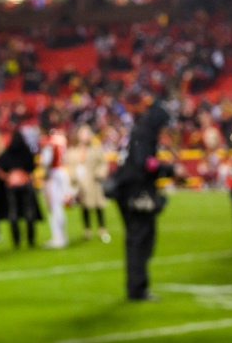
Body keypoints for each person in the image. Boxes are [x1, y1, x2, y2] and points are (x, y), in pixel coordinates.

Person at [112, 100, 175, 301]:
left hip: (126, 190)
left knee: (137, 240)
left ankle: (136, 286)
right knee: (140, 240)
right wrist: (169, 169)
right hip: (135, 192)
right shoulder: (144, 135)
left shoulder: (140, 133)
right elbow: (145, 163)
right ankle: (137, 288)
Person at [0, 129, 39, 248]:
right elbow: (33, 166)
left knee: (13, 213)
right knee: (29, 211)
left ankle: (16, 240)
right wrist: (26, 175)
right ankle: (30, 240)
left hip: (12, 185)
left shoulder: (8, 152)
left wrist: (7, 177)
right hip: (25, 183)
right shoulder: (26, 152)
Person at [66, 124, 110, 242]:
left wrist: (99, 174)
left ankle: (102, 228)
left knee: (98, 205)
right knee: (84, 206)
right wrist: (73, 178)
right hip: (81, 183)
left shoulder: (95, 149)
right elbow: (69, 166)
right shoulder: (72, 150)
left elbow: (103, 163)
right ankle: (87, 229)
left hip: (93, 181)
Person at [40, 128, 70, 249]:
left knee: (54, 207)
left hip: (54, 176)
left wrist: (45, 177)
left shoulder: (49, 144)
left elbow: (46, 162)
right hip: (61, 174)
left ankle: (58, 238)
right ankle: (61, 236)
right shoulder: (59, 141)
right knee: (57, 207)